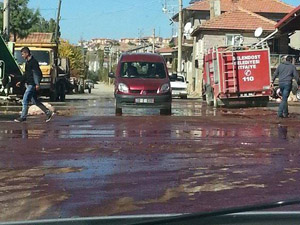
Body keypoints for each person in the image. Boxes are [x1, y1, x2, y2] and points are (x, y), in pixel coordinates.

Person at [14, 47, 54, 123]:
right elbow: (26, 74)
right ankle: (48, 112)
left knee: (25, 100)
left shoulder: (33, 62)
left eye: (22, 54)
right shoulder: (27, 62)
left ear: (27, 53)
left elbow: (37, 74)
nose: (22, 56)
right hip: (28, 83)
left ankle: (23, 117)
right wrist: (21, 82)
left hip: (32, 84)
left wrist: (37, 84)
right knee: (35, 101)